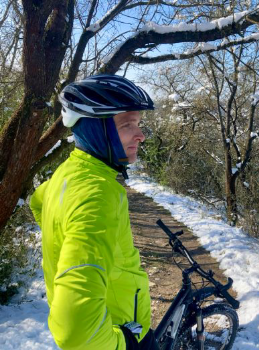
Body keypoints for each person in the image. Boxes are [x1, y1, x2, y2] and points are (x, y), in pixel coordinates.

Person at [30, 74, 156, 349]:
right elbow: (76, 332)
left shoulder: (68, 171)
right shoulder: (97, 194)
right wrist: (121, 342)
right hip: (116, 328)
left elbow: (37, 202)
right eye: (127, 125)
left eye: (138, 124)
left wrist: (62, 239)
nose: (141, 135)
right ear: (95, 130)